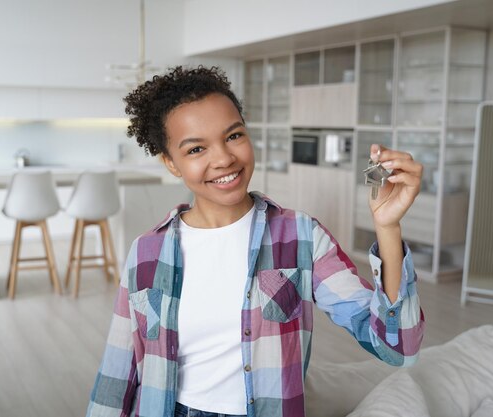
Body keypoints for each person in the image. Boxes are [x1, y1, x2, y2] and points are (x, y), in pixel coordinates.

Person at [86, 66, 425, 417]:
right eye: (196, 149)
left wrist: (387, 228)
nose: (223, 159)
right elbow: (116, 375)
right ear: (171, 163)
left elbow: (397, 348)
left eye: (233, 136)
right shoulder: (146, 252)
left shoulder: (301, 236)